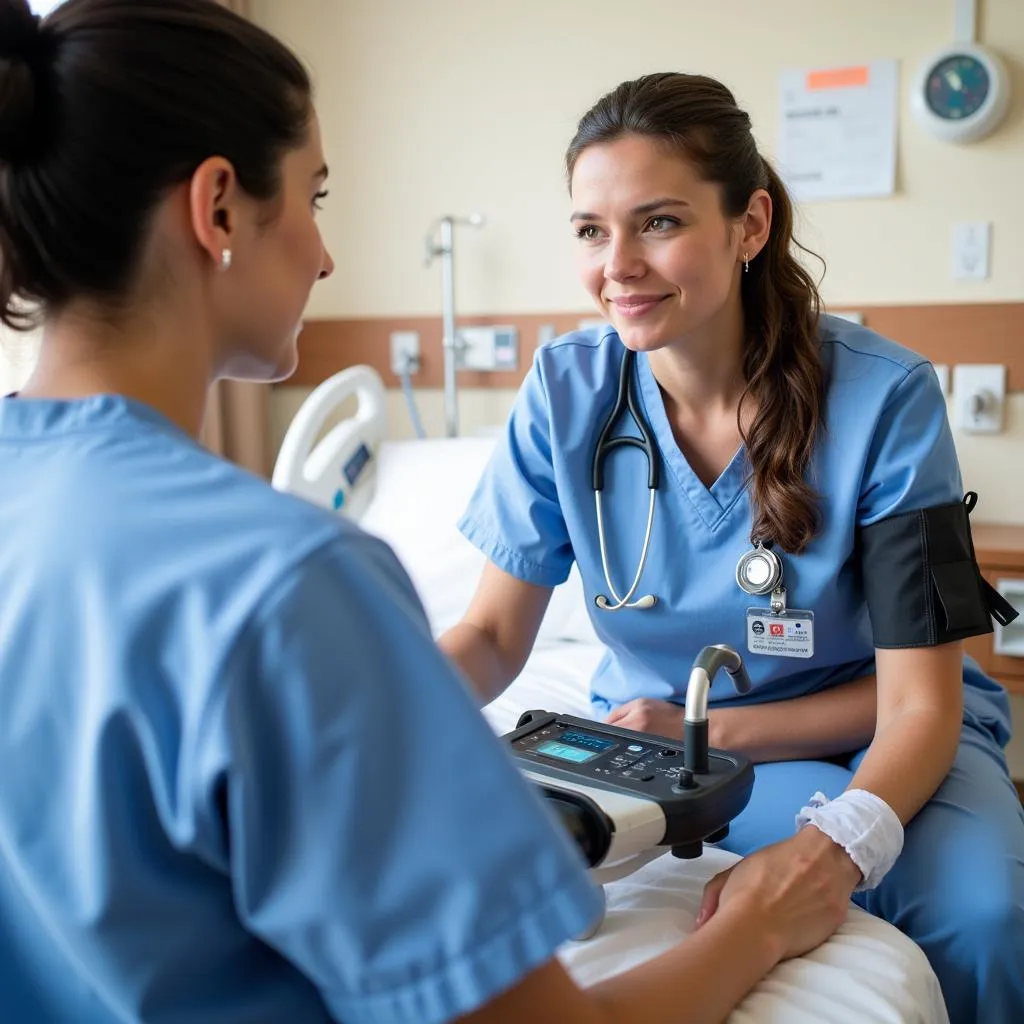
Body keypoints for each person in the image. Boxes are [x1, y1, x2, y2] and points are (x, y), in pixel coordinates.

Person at [0, 3, 854, 1022]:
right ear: (218, 207)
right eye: (314, 197)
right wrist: (760, 921)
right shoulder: (291, 585)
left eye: (656, 221)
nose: (323, 255)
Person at [440, 71, 1024, 1024]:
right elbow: (493, 638)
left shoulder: (883, 399)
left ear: (749, 226)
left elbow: (922, 699)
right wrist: (368, 717)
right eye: (592, 230)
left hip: (897, 733)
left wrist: (829, 843)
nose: (617, 264)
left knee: (985, 918)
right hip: (674, 750)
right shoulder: (565, 393)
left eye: (658, 222)